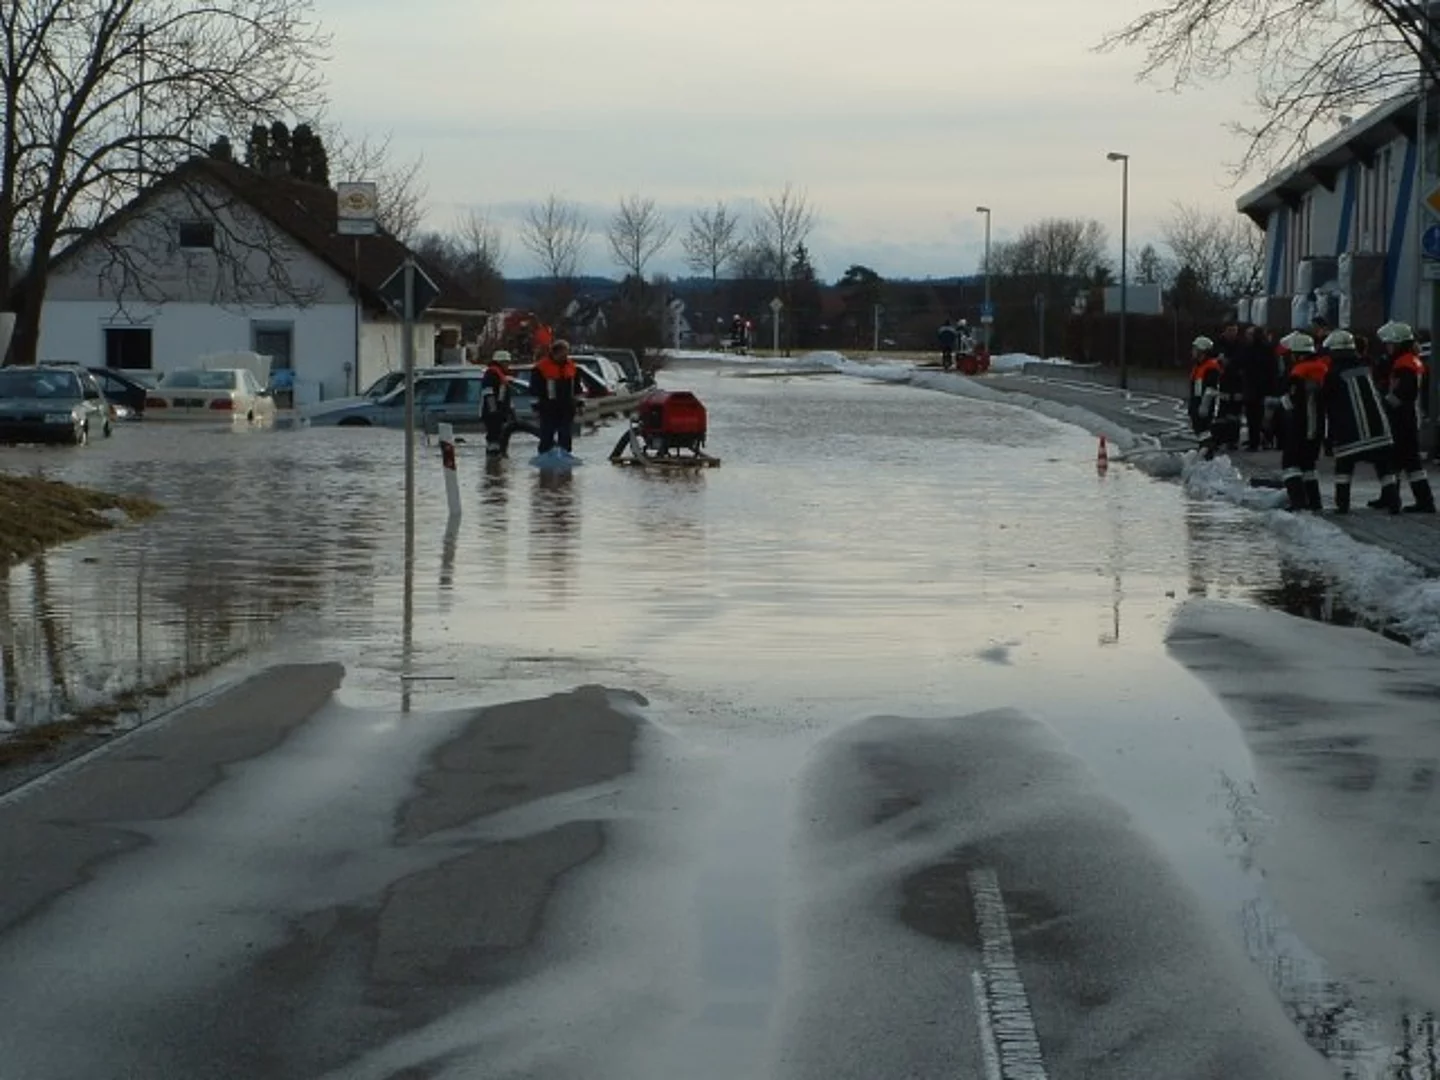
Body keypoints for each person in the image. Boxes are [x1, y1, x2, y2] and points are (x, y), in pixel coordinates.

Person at [1321, 329, 1400, 514]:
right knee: (1384, 467)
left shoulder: (1333, 374)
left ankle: (1342, 505)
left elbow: (1326, 402)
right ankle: (1394, 502)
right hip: (1378, 428)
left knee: (1344, 468)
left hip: (1349, 432)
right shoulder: (1365, 368)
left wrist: (1329, 436)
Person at [1375, 321, 1435, 512]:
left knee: (1403, 461)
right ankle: (1393, 497)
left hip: (1402, 419)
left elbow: (1402, 394)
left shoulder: (1405, 365)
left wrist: (1383, 402)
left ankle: (1415, 500)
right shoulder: (1410, 361)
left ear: (1399, 343)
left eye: (1390, 344)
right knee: (1403, 461)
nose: (1387, 347)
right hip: (1407, 418)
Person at [1277, 332, 1328, 511]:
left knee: (1290, 464)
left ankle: (1298, 501)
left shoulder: (1298, 372)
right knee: (1308, 465)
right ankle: (1314, 501)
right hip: (1318, 425)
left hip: (1300, 424)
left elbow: (1291, 401)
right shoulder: (1323, 369)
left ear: (1298, 354)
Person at [529, 337, 582, 453]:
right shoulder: (541, 368)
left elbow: (577, 387)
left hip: (567, 407)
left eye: (566, 354)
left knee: (565, 434)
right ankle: (545, 455)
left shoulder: (572, 366)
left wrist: (578, 402)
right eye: (563, 354)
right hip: (548, 407)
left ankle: (565, 455)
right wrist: (540, 402)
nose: (565, 357)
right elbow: (534, 389)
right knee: (547, 434)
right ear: (555, 352)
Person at [1241, 325, 1278, 451]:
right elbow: (1273, 370)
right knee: (1263, 417)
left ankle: (1255, 441)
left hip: (1253, 388)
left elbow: (1245, 366)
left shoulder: (1250, 349)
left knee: (1253, 417)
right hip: (1262, 388)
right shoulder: (1268, 349)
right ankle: (1265, 440)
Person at [1188, 336, 1222, 452]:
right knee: (1199, 430)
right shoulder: (1199, 366)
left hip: (1203, 404)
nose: (1193, 352)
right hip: (1197, 402)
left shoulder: (1210, 367)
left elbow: (1211, 389)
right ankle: (1205, 450)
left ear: (1202, 351)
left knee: (1204, 431)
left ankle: (1207, 452)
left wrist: (1204, 406)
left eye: (1195, 349)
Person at [481, 348, 516, 457]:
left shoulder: (500, 375)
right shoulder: (491, 374)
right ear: (501, 362)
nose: (508, 365)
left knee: (500, 435)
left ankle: (497, 459)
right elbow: (488, 393)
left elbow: (505, 396)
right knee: (494, 436)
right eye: (507, 362)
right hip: (493, 413)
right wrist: (494, 411)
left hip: (500, 412)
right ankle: (493, 457)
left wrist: (510, 411)